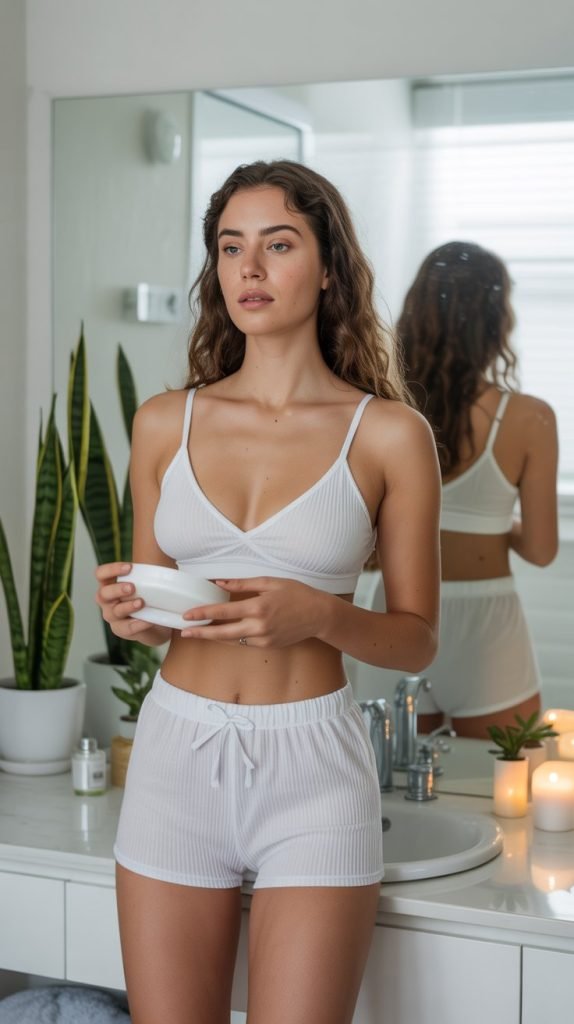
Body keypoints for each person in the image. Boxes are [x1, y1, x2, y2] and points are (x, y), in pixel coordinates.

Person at [95, 160, 440, 1024]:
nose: (249, 268)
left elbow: (417, 639)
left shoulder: (391, 435)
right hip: (176, 754)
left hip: (314, 770)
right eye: (230, 247)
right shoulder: (163, 422)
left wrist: (320, 613)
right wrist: (130, 616)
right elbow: (157, 613)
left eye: (278, 244)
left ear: (328, 268)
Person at [396, 240, 558, 740]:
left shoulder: (381, 405)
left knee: (388, 792)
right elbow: (540, 549)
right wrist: (493, 525)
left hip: (395, 615)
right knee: (505, 790)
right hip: (487, 625)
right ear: (495, 321)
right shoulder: (529, 418)